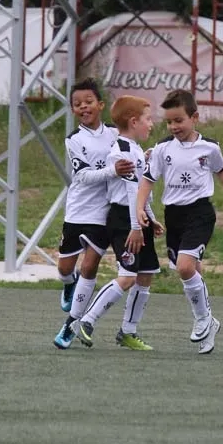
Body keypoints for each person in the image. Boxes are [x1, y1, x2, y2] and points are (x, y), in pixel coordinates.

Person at [135, 89, 223, 355]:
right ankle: (208, 323)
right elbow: (147, 180)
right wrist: (139, 208)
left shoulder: (209, 148)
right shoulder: (162, 149)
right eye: (169, 122)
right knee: (192, 269)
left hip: (200, 213)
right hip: (174, 215)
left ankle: (203, 319)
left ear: (194, 118)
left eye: (179, 120)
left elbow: (222, 171)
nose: (174, 126)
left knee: (185, 267)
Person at [72, 95, 163, 351]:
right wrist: (135, 227)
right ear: (134, 122)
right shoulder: (122, 151)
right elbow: (131, 192)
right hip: (124, 220)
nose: (151, 124)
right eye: (147, 119)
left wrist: (150, 218)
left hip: (137, 218)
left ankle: (128, 331)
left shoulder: (135, 149)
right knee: (127, 276)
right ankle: (85, 321)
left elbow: (142, 191)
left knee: (145, 275)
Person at [53, 78, 134, 350]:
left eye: (88, 102)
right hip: (78, 211)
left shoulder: (115, 134)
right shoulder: (74, 139)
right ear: (72, 109)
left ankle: (71, 324)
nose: (83, 107)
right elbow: (84, 176)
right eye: (77, 104)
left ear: (100, 105)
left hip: (103, 212)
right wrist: (113, 171)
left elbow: (131, 152)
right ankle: (69, 284)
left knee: (89, 266)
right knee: (65, 268)